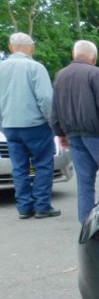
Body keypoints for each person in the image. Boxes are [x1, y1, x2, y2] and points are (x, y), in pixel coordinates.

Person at [51, 40, 99, 224]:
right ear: (94, 57)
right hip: (97, 135)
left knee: (84, 182)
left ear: (74, 55)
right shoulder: (96, 74)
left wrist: (60, 134)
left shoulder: (60, 76)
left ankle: (86, 222)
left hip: (73, 136)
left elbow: (55, 110)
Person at [0, 32, 60, 219]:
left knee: (19, 167)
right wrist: (51, 122)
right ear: (31, 48)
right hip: (35, 125)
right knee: (43, 164)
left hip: (10, 125)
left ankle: (24, 208)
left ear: (10, 47)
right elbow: (45, 98)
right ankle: (42, 206)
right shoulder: (35, 67)